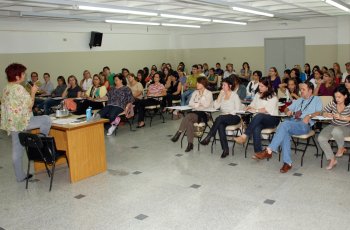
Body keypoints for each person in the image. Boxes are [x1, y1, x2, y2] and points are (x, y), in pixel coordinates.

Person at [253, 82, 322, 173]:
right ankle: (287, 163)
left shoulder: (316, 99)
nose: (301, 91)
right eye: (301, 89)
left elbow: (319, 112)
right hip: (293, 123)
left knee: (284, 124)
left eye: (303, 89)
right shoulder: (299, 100)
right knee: (285, 130)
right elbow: (286, 108)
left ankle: (269, 150)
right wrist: (287, 111)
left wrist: (309, 115)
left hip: (304, 125)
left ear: (310, 91)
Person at [1, 63, 52, 182]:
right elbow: (30, 105)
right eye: (23, 73)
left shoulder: (6, 88)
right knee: (46, 119)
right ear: (17, 76)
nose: (25, 75)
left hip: (12, 123)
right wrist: (33, 91)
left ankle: (20, 176)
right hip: (23, 121)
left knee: (16, 150)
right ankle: (41, 143)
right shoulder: (19, 88)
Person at [234, 78, 280, 156]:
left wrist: (255, 110)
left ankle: (244, 135)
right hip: (260, 119)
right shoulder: (258, 94)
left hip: (272, 119)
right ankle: (258, 152)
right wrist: (248, 107)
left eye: (262, 86)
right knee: (256, 127)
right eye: (259, 86)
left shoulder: (273, 97)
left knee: (259, 115)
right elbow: (253, 104)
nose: (259, 88)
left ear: (267, 87)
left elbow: (266, 110)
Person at [199, 78, 242, 158]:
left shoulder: (234, 95)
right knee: (220, 125)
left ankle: (209, 136)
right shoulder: (222, 95)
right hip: (223, 117)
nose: (222, 87)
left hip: (234, 116)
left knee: (220, 118)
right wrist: (219, 96)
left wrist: (227, 114)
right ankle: (225, 150)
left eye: (224, 85)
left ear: (230, 86)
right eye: (222, 85)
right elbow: (215, 107)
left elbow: (238, 109)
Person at [171, 77, 213, 152]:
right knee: (189, 122)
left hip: (204, 114)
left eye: (198, 83)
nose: (196, 84)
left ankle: (179, 132)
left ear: (203, 84)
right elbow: (190, 103)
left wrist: (200, 100)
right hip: (195, 112)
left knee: (189, 116)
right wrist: (197, 104)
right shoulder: (195, 92)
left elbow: (206, 105)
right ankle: (190, 144)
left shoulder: (208, 93)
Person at [318, 85, 350, 170]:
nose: (337, 99)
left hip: (347, 126)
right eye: (335, 97)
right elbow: (322, 111)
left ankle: (341, 148)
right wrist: (325, 114)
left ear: (345, 96)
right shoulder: (333, 102)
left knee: (336, 131)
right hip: (333, 125)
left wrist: (342, 117)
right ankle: (332, 160)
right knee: (321, 138)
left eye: (339, 97)